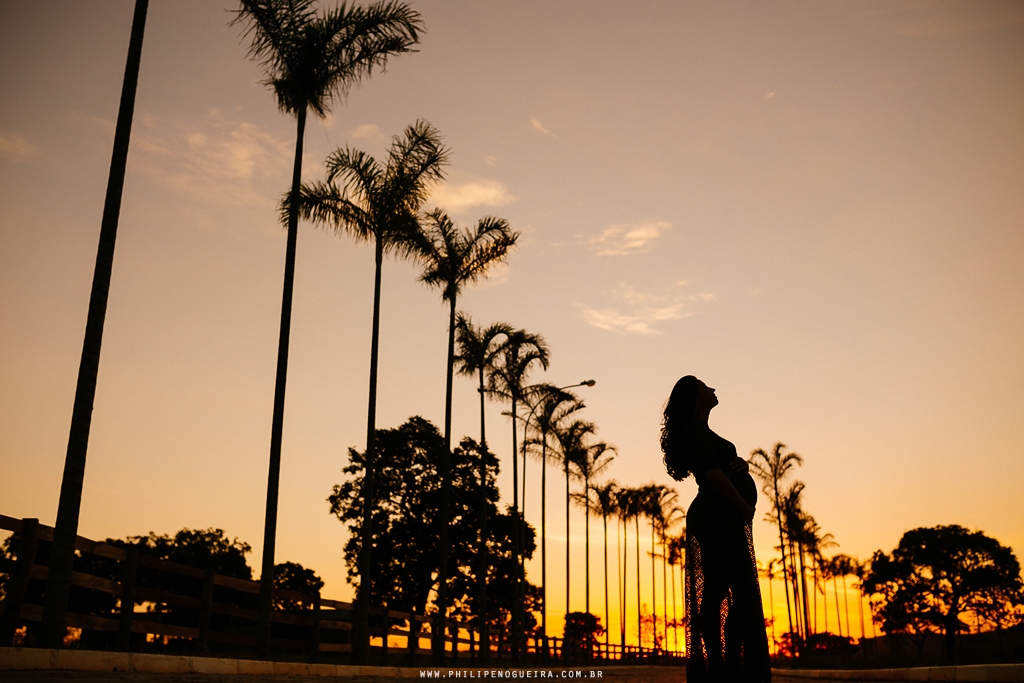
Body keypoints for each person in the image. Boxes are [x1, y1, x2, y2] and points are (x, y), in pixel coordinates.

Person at [661, 376, 771, 683]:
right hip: (716, 517)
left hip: (721, 516)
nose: (713, 388)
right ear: (695, 397)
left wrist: (742, 466)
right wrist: (744, 506)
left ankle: (725, 661)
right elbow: (712, 476)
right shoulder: (695, 429)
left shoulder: (702, 431)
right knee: (723, 590)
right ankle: (718, 664)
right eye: (705, 386)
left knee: (724, 589)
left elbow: (721, 467)